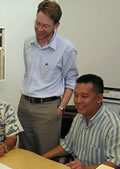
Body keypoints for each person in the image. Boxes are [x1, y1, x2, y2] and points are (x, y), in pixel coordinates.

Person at [18, 0, 78, 155]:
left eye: (45, 26)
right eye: (37, 23)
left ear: (56, 25)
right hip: (25, 106)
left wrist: (61, 108)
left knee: (47, 155)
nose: (39, 29)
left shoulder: (67, 48)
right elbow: (28, 73)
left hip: (48, 108)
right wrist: (22, 97)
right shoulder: (27, 43)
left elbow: (71, 81)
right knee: (25, 153)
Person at [43, 74, 120, 169]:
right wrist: (43, 157)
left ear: (99, 98)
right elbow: (67, 146)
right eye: (76, 95)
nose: (78, 101)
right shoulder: (79, 118)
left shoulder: (116, 127)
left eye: (84, 96)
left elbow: (116, 165)